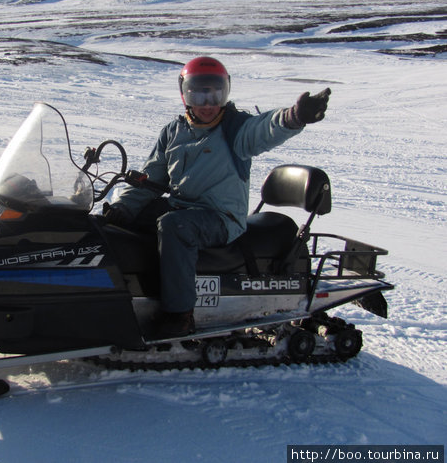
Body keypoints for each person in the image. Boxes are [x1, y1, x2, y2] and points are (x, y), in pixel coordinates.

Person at [103, 56, 331, 338]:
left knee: (174, 226)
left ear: (225, 93)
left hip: (221, 218)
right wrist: (123, 208)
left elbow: (263, 129)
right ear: (185, 95)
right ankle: (122, 293)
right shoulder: (174, 132)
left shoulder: (235, 129)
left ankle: (180, 314)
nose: (208, 103)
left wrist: (294, 116)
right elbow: (151, 177)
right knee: (123, 223)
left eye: (215, 93)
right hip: (181, 209)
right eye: (199, 93)